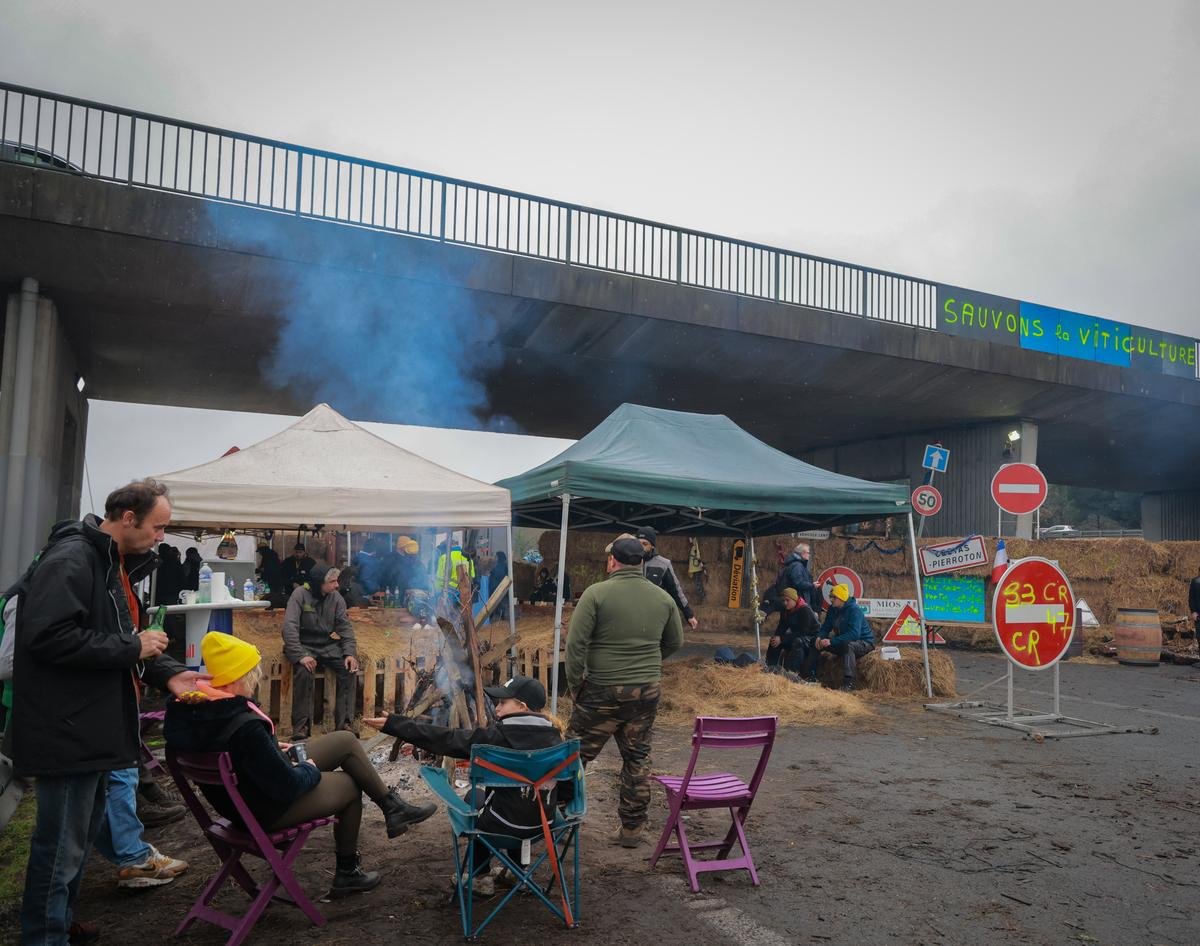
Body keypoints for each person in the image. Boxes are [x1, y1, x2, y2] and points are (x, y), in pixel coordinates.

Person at [7, 479, 209, 946]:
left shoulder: (109, 561)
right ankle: (44, 938)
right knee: (58, 848)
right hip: (68, 728)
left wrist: (168, 674)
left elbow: (122, 634)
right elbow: (48, 637)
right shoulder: (73, 559)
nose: (162, 538)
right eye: (158, 528)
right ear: (128, 518)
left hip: (90, 726)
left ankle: (62, 927)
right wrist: (131, 646)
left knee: (72, 848)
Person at [164, 633, 436, 899]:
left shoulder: (194, 711)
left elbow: (241, 753)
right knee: (350, 785)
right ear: (240, 676)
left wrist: (271, 748)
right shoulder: (244, 726)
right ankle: (347, 872)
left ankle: (392, 807)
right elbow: (287, 787)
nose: (257, 678)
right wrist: (308, 767)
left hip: (240, 801)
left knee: (345, 741)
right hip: (263, 809)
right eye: (253, 672)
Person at [364, 675, 570, 894]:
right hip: (543, 826)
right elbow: (567, 791)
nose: (496, 708)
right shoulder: (559, 742)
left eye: (502, 703)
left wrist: (395, 724)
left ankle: (478, 876)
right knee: (520, 802)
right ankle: (517, 870)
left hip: (501, 827)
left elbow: (446, 739)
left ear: (522, 706)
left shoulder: (494, 738)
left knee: (475, 798)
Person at [566, 536, 683, 848]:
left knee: (571, 757)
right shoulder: (662, 598)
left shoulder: (596, 594)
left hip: (602, 690)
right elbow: (675, 643)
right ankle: (632, 829)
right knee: (637, 757)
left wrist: (575, 685)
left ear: (611, 561)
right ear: (642, 563)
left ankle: (559, 821)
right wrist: (647, 664)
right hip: (645, 692)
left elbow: (575, 645)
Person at [282, 565, 359, 740]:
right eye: (332, 581)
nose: (337, 585)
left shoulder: (337, 598)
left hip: (327, 644)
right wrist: (300, 655)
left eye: (336, 581)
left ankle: (345, 724)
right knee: (304, 671)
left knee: (349, 669)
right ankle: (301, 726)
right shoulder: (299, 595)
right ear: (319, 583)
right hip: (304, 644)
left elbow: (345, 628)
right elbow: (289, 627)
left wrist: (349, 653)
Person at [799, 583, 874, 690]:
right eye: (830, 597)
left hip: (864, 643)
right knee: (814, 642)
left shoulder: (854, 610)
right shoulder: (833, 609)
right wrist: (820, 637)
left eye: (833, 597)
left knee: (848, 646)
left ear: (841, 598)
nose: (831, 600)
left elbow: (854, 634)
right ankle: (810, 675)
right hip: (843, 642)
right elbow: (826, 627)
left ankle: (848, 683)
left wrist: (832, 641)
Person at [634, 527, 699, 630]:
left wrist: (688, 614)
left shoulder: (663, 564)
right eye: (638, 543)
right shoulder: (627, 561)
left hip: (653, 616)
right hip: (631, 613)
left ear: (652, 546)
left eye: (645, 544)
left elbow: (675, 591)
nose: (641, 547)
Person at [762, 587, 820, 673]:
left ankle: (792, 673)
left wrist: (782, 639)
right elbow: (782, 626)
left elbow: (803, 631)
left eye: (787, 600)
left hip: (811, 637)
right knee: (774, 641)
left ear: (794, 599)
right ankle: (770, 667)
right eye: (783, 600)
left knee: (797, 642)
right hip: (797, 634)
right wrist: (777, 637)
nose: (785, 603)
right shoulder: (786, 610)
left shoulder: (805, 609)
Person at [768, 543, 817, 611]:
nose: (809, 555)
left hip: (793, 601)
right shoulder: (797, 566)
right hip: (797, 602)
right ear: (803, 553)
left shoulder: (794, 564)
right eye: (808, 553)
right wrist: (812, 585)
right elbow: (798, 583)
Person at [488, 552, 510, 622]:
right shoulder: (506, 566)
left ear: (498, 557)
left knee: (495, 604)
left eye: (496, 556)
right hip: (503, 588)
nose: (495, 558)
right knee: (502, 603)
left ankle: (495, 616)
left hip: (496, 588)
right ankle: (502, 615)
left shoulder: (497, 566)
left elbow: (496, 576)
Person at [1190, 566, 1200, 638]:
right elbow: (1191, 598)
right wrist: (1193, 611)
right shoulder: (1195, 581)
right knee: (1199, 635)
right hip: (1198, 613)